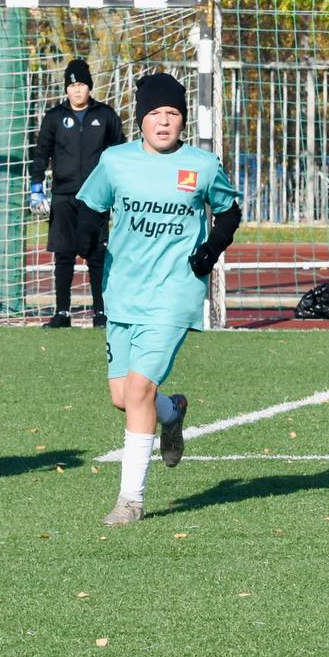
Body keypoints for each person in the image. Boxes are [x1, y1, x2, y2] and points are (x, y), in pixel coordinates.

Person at [77, 73, 242, 526]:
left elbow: (229, 211)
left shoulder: (203, 165)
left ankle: (130, 500)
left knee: (137, 390)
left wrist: (210, 251)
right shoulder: (115, 162)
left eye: (172, 114)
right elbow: (89, 210)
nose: (164, 122)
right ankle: (173, 412)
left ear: (182, 120)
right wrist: (88, 244)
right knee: (121, 396)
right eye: (155, 114)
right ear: (141, 120)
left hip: (175, 291)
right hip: (124, 290)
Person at [28, 57, 123, 327]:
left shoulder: (105, 116)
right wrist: (37, 188)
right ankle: (62, 313)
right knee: (64, 254)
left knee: (97, 255)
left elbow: (120, 154)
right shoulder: (54, 117)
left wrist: (117, 188)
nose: (77, 90)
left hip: (96, 197)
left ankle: (101, 313)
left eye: (81, 84)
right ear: (66, 89)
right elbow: (41, 154)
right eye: (72, 86)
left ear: (89, 87)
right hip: (64, 196)